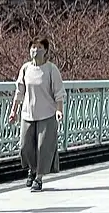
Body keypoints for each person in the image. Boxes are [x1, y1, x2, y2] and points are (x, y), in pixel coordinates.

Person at [7, 37, 66, 193]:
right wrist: (14, 111)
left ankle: (38, 178)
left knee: (43, 148)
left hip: (47, 114)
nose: (36, 50)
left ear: (45, 50)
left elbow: (59, 93)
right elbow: (19, 91)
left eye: (39, 47)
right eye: (33, 47)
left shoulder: (51, 69)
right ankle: (32, 169)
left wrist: (59, 110)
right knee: (25, 147)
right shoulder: (25, 69)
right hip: (28, 113)